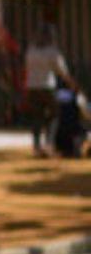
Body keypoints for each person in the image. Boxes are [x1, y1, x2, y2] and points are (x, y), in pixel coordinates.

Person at [23, 24, 75, 156]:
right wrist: (72, 84)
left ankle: (36, 146)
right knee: (54, 115)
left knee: (36, 117)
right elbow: (62, 71)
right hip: (47, 86)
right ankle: (49, 144)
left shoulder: (31, 50)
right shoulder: (52, 52)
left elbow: (27, 68)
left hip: (32, 86)